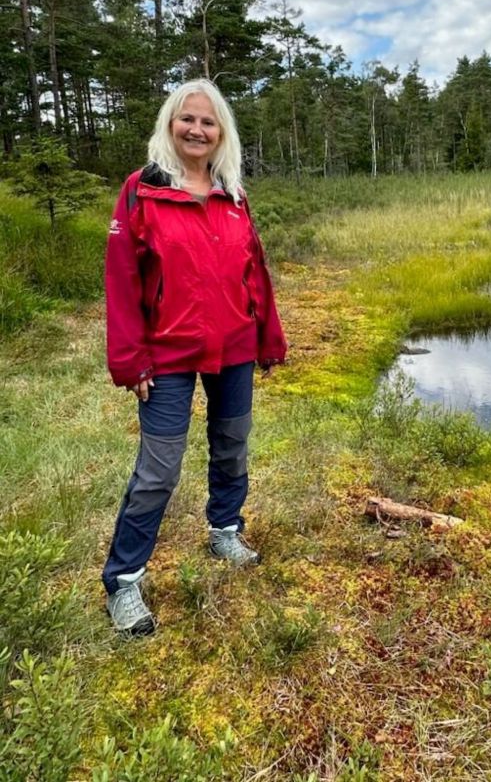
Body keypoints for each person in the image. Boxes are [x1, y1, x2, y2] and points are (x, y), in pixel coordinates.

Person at [102, 79, 286, 635]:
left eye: (208, 122)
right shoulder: (142, 191)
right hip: (168, 356)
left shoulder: (233, 194)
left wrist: (269, 337)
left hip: (232, 347)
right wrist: (130, 359)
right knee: (159, 470)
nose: (197, 130)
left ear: (221, 132)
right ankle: (123, 582)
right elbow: (122, 279)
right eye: (188, 119)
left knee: (232, 445)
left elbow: (255, 273)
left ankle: (224, 528)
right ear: (170, 125)